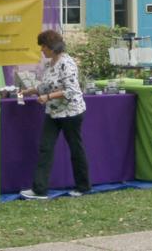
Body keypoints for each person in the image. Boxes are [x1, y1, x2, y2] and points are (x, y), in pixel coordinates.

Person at [19, 29, 90, 199]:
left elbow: (71, 91)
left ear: (51, 46)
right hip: (53, 112)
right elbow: (45, 86)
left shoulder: (67, 63)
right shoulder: (49, 64)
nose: (41, 50)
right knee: (45, 148)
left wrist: (48, 97)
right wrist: (27, 91)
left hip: (71, 112)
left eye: (43, 46)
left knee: (75, 149)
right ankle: (39, 190)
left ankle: (83, 186)